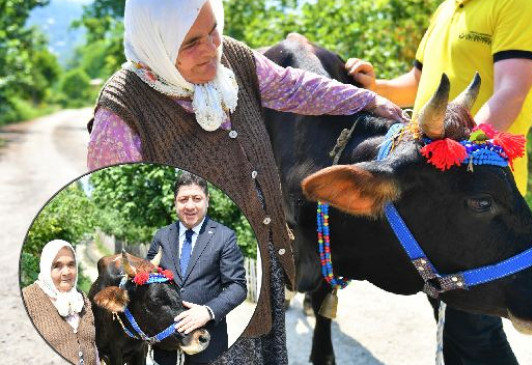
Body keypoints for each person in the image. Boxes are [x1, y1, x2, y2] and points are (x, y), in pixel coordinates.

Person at [86, 0, 407, 363]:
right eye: (191, 42)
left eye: (213, 31)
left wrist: (368, 100)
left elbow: (294, 86)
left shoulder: (232, 59)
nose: (211, 49)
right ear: (154, 44)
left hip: (259, 261)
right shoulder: (121, 114)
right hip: (185, 293)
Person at [345, 0, 532, 363]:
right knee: (454, 312)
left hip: (480, 199)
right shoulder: (447, 9)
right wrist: (377, 83)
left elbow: (511, 91)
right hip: (443, 193)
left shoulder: (524, 4)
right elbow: (417, 84)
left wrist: (455, 152)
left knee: (472, 331)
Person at [146, 172, 246, 364]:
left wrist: (208, 311)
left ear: (207, 200)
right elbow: (148, 279)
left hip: (208, 344)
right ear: (175, 202)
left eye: (196, 198)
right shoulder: (161, 236)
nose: (190, 205)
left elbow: (238, 287)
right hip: (166, 346)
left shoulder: (224, 237)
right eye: (183, 199)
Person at [22, 239, 98, 365]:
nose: (67, 272)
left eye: (71, 264)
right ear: (46, 267)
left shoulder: (81, 299)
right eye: (57, 266)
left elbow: (92, 349)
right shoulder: (28, 299)